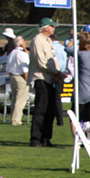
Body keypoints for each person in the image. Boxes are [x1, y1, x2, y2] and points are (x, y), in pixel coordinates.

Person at [28, 17, 63, 148]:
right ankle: (35, 138)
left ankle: (46, 138)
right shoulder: (38, 40)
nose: (54, 28)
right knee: (40, 109)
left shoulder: (49, 41)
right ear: (46, 27)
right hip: (41, 77)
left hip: (51, 78)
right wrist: (55, 72)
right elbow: (41, 62)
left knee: (50, 110)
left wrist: (57, 72)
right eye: (52, 26)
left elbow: (53, 59)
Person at [64, 32, 90, 137]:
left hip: (81, 91)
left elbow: (67, 48)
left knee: (74, 118)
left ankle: (77, 142)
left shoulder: (80, 54)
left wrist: (74, 39)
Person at [6, 35, 30, 126]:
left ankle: (13, 117)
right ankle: (16, 120)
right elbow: (25, 69)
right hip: (21, 77)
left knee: (14, 99)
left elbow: (8, 68)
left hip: (13, 76)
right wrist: (28, 80)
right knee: (20, 100)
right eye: (23, 42)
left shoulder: (11, 53)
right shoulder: (22, 54)